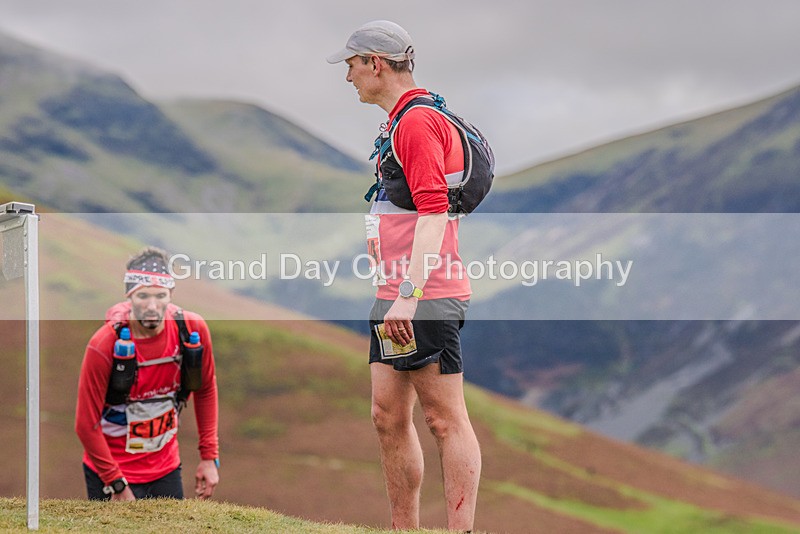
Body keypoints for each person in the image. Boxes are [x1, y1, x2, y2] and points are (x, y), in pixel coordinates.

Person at [327, 20, 481, 532]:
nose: (347, 77)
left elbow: (434, 213)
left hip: (423, 295)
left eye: (350, 65)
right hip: (393, 291)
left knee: (443, 419)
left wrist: (410, 297)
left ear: (374, 62)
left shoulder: (415, 123)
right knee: (387, 416)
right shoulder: (399, 120)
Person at [75, 246, 219, 501]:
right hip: (111, 474)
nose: (152, 306)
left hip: (166, 470)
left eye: (160, 295)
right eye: (142, 296)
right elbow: (86, 424)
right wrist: (116, 484)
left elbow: (205, 389)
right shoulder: (103, 344)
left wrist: (209, 457)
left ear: (170, 294)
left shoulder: (192, 330)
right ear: (129, 296)